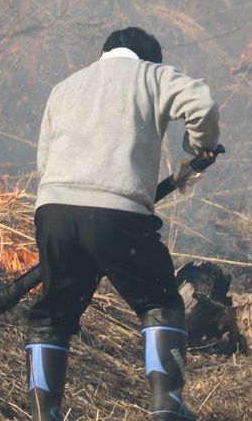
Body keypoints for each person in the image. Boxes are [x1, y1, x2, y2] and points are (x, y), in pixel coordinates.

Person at [25, 27, 220, 421]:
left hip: (54, 213)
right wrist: (198, 147)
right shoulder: (152, 75)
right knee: (161, 301)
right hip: (118, 214)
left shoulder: (65, 87)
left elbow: (45, 163)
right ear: (148, 58)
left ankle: (45, 416)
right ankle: (167, 409)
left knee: (52, 315)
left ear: (103, 52)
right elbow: (202, 103)